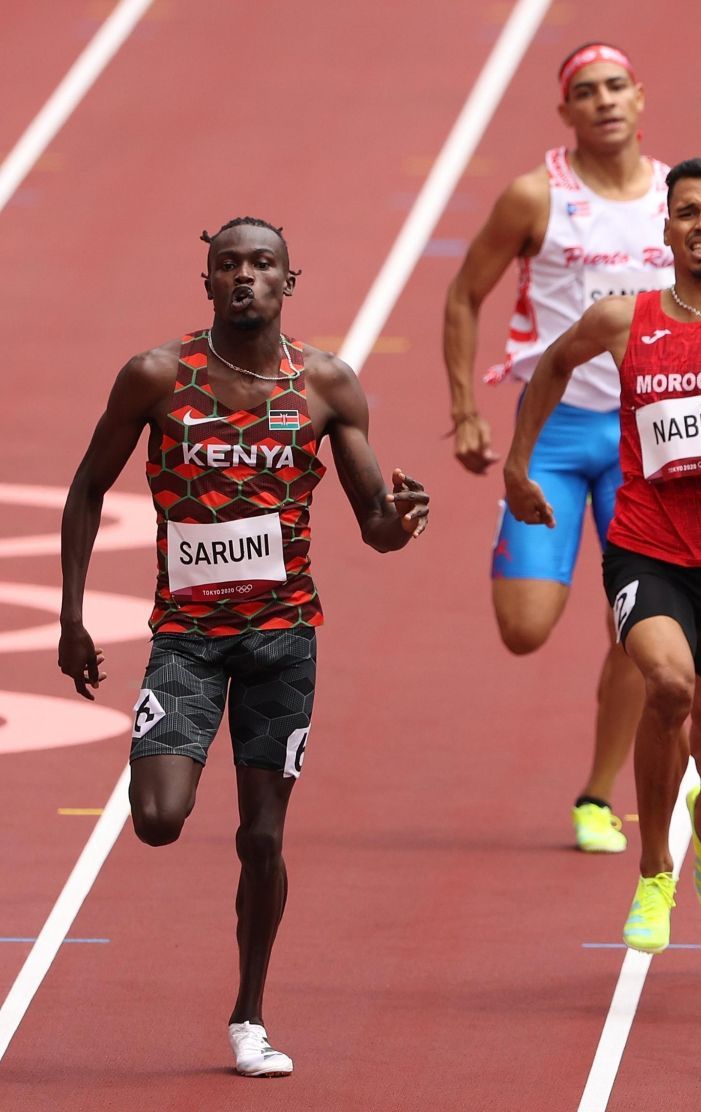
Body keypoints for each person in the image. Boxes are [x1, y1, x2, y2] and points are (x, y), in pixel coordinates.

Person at [57, 217, 430, 1077]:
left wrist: (401, 520)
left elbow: (374, 527)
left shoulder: (328, 385)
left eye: (262, 265)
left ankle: (249, 1017)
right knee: (157, 821)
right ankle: (170, 764)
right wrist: (72, 618)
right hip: (186, 640)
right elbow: (85, 489)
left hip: (282, 641)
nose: (243, 277)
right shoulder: (156, 376)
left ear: (288, 283)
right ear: (207, 281)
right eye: (227, 265)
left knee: (261, 839)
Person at [504, 158, 701, 954]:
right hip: (644, 549)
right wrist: (518, 462)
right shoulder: (624, 318)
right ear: (667, 227)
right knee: (669, 687)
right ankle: (653, 872)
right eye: (687, 212)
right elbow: (551, 364)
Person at [443, 42, 673, 854]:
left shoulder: (680, 201)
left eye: (617, 86)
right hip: (553, 433)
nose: (605, 101)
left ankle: (596, 798)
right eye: (587, 91)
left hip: (646, 443)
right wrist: (468, 408)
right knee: (525, 629)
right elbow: (464, 293)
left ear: (640, 97)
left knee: (639, 633)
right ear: (565, 112)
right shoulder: (535, 196)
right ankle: (519, 544)